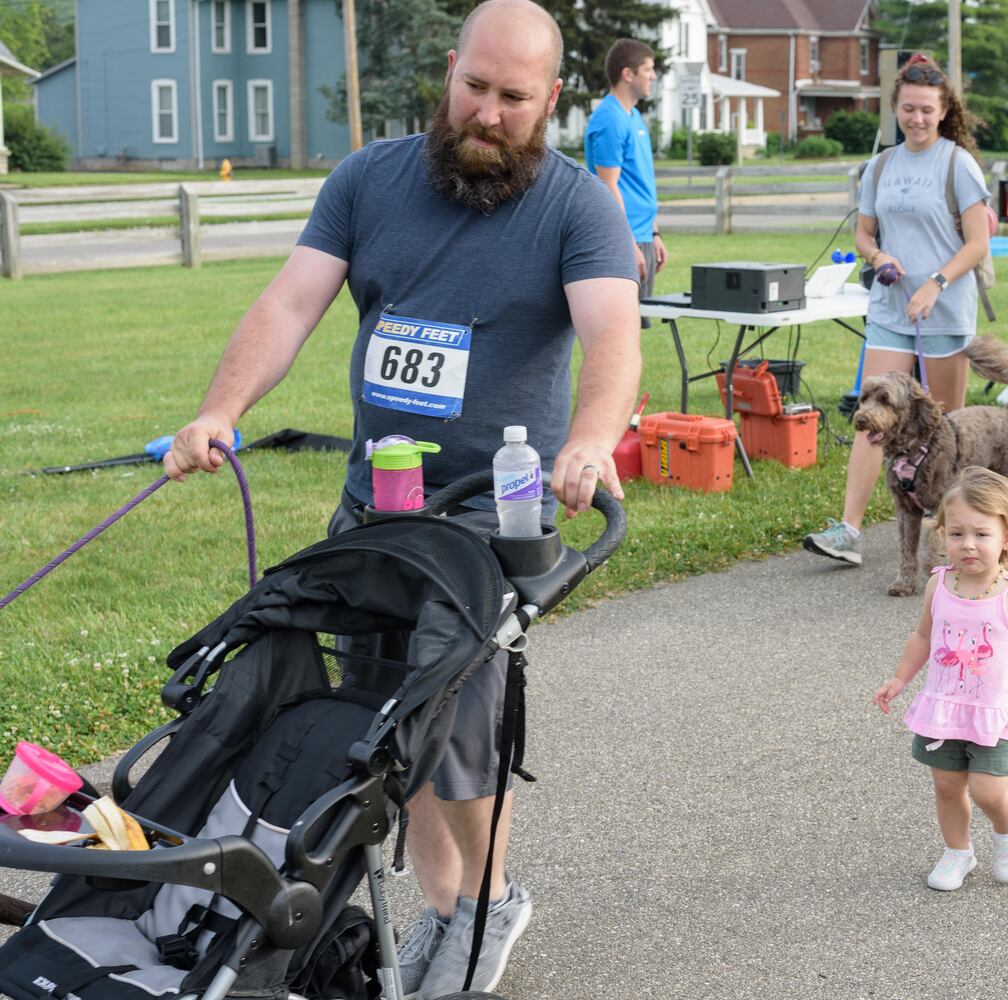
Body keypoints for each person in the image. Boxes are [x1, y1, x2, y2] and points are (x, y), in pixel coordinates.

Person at [162, 1, 642, 994]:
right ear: (450, 72)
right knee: (385, 736)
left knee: (457, 730)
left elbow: (613, 336)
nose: (490, 111)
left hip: (487, 520)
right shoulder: (369, 180)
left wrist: (592, 438)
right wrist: (218, 409)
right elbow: (290, 302)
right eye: (475, 86)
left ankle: (487, 902)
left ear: (549, 100)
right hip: (375, 517)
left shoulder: (573, 207)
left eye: (515, 97)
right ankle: (445, 906)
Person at [803, 54, 991, 566]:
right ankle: (849, 530)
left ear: (943, 109)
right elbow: (863, 232)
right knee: (873, 418)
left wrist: (935, 283)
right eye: (908, 109)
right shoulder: (882, 165)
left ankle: (954, 533)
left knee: (946, 429)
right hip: (889, 309)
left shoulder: (959, 163)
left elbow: (977, 242)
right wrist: (877, 254)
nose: (917, 119)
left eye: (927, 109)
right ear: (895, 109)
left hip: (945, 311)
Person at [872, 468, 1008, 891]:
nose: (968, 544)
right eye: (956, 534)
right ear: (942, 537)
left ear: (1007, 538)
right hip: (944, 706)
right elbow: (923, 636)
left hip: (994, 713)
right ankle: (958, 852)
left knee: (990, 792)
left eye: (981, 534)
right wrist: (900, 679)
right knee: (947, 785)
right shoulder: (939, 585)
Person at [585, 38, 667, 321]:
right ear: (627, 73)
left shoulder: (633, 117)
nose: (653, 76)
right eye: (648, 69)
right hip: (623, 239)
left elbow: (636, 181)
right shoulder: (610, 119)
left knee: (634, 331)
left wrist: (654, 233)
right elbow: (609, 186)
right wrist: (627, 244)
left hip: (641, 235)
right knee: (620, 330)